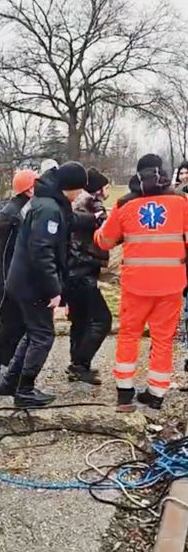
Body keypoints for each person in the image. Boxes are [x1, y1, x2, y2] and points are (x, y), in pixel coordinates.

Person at [95, 154, 188, 412]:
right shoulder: (182, 203)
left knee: (128, 335)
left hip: (136, 286)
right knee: (163, 339)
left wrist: (97, 231)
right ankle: (156, 394)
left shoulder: (125, 205)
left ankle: (124, 394)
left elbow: (104, 241)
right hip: (171, 285)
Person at [0, 162, 88, 407]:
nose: (79, 195)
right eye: (79, 190)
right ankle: (25, 390)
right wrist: (54, 289)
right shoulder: (48, 208)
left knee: (33, 333)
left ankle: (9, 382)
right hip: (33, 284)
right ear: (69, 187)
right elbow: (42, 251)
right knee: (43, 336)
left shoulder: (47, 200)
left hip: (24, 280)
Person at [0, 169, 37, 393]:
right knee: (9, 326)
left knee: (15, 326)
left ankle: (3, 372)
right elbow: (10, 253)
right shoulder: (16, 213)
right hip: (6, 277)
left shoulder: (17, 209)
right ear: (30, 189)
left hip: (8, 275)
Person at [64, 168, 112, 384]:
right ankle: (79, 364)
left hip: (71, 272)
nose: (109, 189)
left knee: (80, 320)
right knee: (102, 320)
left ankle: (78, 365)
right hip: (83, 271)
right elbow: (107, 231)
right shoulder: (94, 206)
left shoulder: (74, 207)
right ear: (99, 189)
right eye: (106, 185)